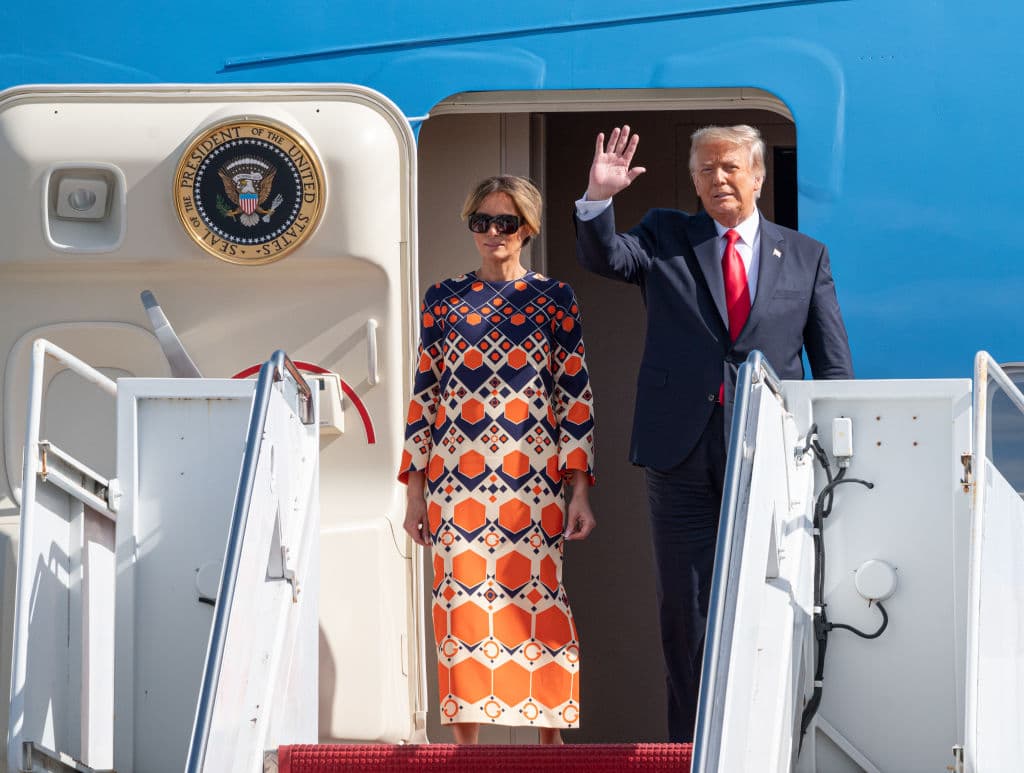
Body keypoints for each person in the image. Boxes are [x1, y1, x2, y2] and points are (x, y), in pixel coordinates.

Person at [574, 124, 853, 742]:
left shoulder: (805, 255)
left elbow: (830, 363)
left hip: (769, 454)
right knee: (687, 609)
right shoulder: (666, 235)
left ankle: (772, 739)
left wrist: (833, 455)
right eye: (705, 170)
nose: (718, 179)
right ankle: (692, 746)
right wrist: (598, 197)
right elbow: (606, 258)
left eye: (730, 166)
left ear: (757, 174)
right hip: (680, 453)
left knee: (774, 595)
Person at [400, 175, 597, 744]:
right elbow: (425, 396)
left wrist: (579, 488)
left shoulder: (554, 298)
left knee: (539, 596)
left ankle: (551, 739)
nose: (492, 232)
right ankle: (466, 744)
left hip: (531, 476)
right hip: (454, 479)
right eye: (480, 222)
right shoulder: (443, 298)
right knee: (460, 600)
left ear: (527, 229)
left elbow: (575, 395)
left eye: (505, 222)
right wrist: (414, 490)